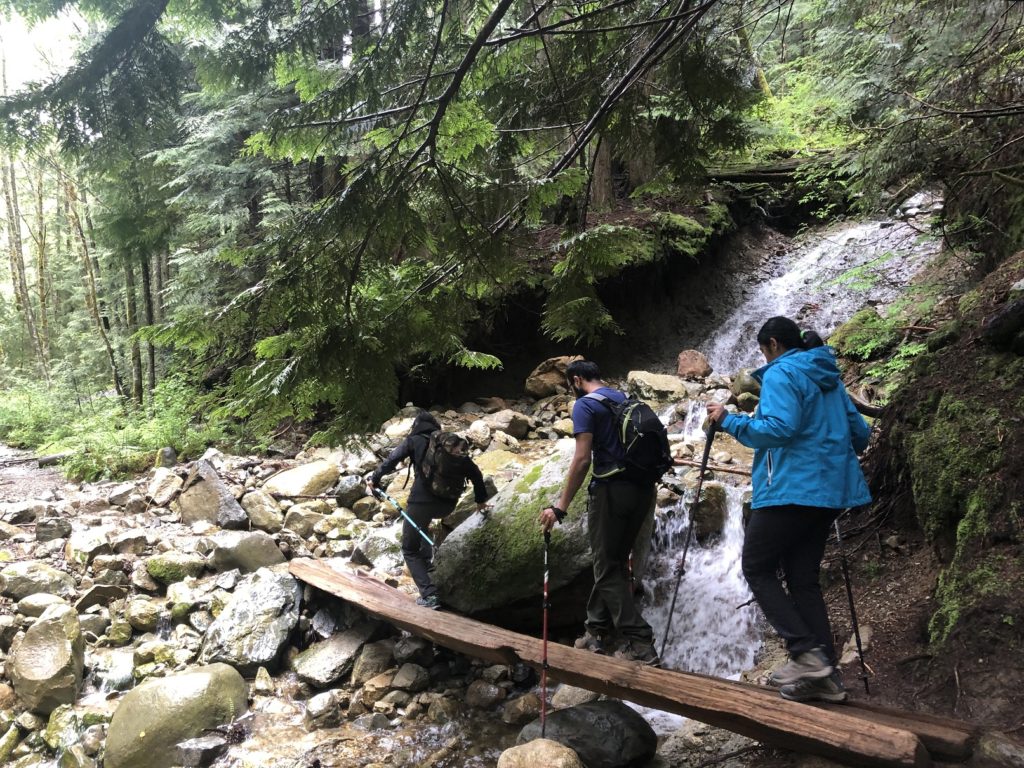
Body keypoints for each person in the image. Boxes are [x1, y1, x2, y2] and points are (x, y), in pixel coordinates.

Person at [706, 316, 871, 703]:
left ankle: (806, 654)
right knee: (802, 579)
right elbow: (861, 436)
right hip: (830, 492)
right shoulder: (828, 379)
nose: (765, 357)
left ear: (774, 345)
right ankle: (825, 677)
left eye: (764, 350)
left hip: (791, 489)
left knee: (756, 567)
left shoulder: (781, 374)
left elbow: (778, 429)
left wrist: (730, 421)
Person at [539, 360, 660, 666]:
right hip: (643, 490)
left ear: (577, 380)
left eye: (570, 385)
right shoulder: (623, 399)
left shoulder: (585, 406)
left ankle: (640, 642)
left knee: (605, 568)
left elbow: (581, 460)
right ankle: (595, 631)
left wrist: (561, 506)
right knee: (613, 564)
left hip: (611, 492)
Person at [368, 410, 489, 610]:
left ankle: (429, 595)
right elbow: (475, 472)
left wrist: (374, 478)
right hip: (447, 504)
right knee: (422, 529)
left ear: (415, 426)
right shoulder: (448, 446)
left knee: (408, 549)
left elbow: (391, 461)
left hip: (421, 502)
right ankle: (429, 568)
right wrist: (481, 500)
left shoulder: (414, 440)